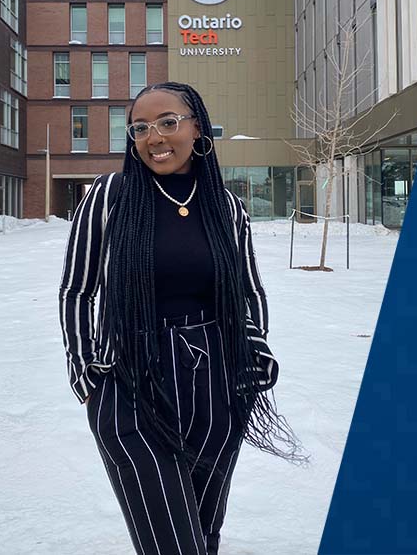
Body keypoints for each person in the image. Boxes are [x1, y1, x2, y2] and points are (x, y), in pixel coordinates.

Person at [58, 82, 302, 555]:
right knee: (173, 543)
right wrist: (87, 375)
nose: (155, 137)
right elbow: (77, 289)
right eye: (140, 128)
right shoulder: (111, 196)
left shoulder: (225, 206)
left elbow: (248, 289)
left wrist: (254, 352)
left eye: (168, 122)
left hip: (218, 383)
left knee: (204, 536)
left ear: (197, 128)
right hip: (131, 380)